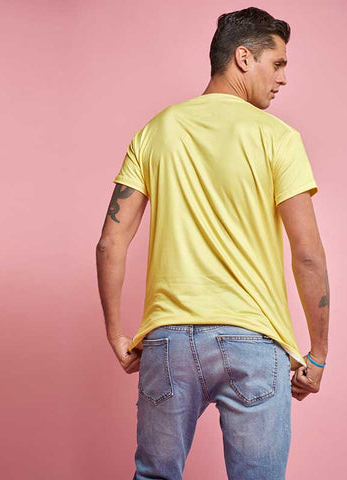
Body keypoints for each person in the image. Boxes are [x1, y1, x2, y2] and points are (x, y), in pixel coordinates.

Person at [96, 6, 329, 480]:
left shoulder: (156, 131)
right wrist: (318, 353)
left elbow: (109, 243)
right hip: (253, 339)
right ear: (244, 57)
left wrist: (116, 334)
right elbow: (307, 254)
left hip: (168, 341)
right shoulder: (278, 138)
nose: (283, 78)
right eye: (277, 63)